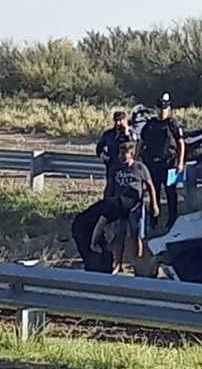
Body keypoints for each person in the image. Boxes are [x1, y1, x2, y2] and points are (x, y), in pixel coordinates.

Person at [71, 142, 159, 276]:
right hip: (117, 206)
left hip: (135, 206)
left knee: (136, 236)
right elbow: (110, 186)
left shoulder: (140, 168)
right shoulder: (115, 168)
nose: (122, 157)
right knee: (119, 235)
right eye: (120, 154)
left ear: (132, 155)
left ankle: (138, 264)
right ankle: (118, 264)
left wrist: (154, 204)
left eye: (125, 155)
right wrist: (105, 201)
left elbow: (150, 186)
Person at [141, 92, 186, 227]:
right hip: (152, 163)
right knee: (154, 191)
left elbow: (181, 143)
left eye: (164, 109)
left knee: (170, 192)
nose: (162, 112)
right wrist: (137, 159)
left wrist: (180, 161)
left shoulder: (172, 124)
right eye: (160, 109)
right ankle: (154, 219)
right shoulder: (150, 124)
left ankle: (172, 219)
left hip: (168, 163)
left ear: (169, 109)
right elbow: (141, 142)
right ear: (156, 109)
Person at [96, 111, 138, 198]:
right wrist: (105, 157)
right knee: (111, 189)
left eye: (120, 120)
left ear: (125, 120)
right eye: (116, 120)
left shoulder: (131, 133)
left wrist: (126, 132)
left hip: (127, 167)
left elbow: (134, 144)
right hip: (112, 166)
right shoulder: (109, 134)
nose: (118, 123)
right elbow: (99, 148)